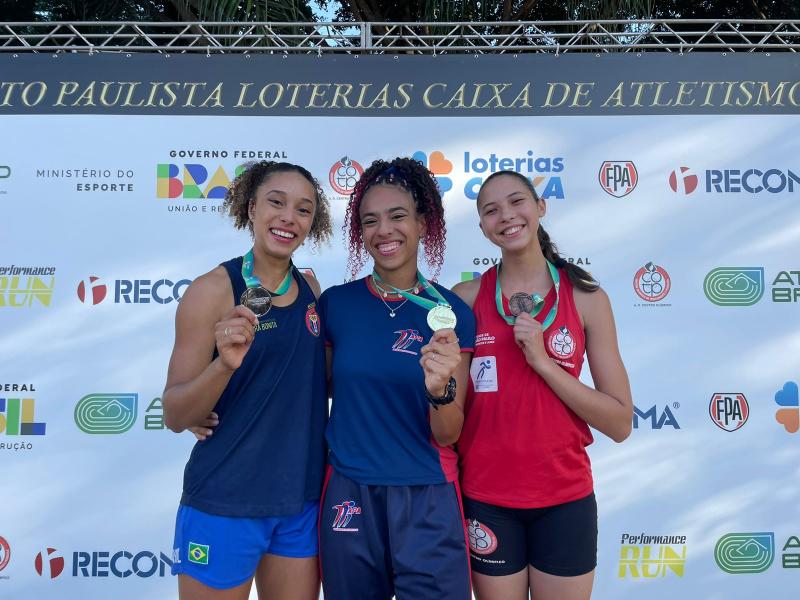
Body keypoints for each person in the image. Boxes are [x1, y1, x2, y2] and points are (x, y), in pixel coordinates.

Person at [452, 170, 633, 600]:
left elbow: (620, 422)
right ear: (482, 227)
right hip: (487, 498)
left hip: (564, 497)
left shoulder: (586, 297)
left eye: (517, 202)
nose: (507, 216)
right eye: (491, 210)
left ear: (540, 208)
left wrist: (544, 363)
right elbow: (448, 410)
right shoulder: (466, 298)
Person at [162, 160, 332, 600]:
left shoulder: (313, 291)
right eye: (276, 202)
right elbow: (177, 414)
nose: (288, 218)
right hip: (225, 499)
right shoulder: (212, 290)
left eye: (303, 209)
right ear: (252, 207)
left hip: (299, 504)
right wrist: (223, 367)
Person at [318, 157, 476, 600]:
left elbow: (448, 434)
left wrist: (438, 391)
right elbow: (311, 389)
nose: (383, 230)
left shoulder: (451, 314)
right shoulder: (337, 304)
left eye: (397, 216)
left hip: (425, 492)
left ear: (423, 223)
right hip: (351, 491)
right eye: (370, 221)